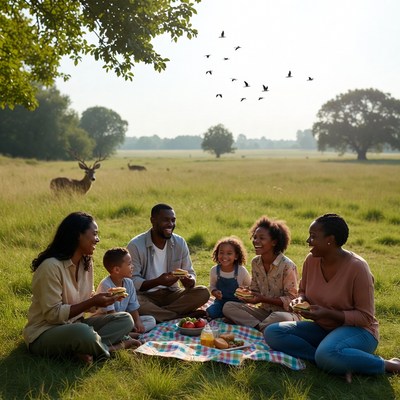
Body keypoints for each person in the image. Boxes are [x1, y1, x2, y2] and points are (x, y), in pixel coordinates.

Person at [264, 213, 400, 381]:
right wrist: (300, 300)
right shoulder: (311, 260)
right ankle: (334, 360)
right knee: (273, 332)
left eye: (313, 237)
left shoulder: (358, 268)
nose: (308, 241)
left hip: (360, 332)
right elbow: (303, 291)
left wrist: (327, 313)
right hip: (324, 329)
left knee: (327, 353)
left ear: (330, 240)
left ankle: (388, 365)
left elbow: (365, 318)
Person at [23, 212, 137, 364]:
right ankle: (114, 347)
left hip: (75, 325)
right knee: (83, 333)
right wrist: (91, 302)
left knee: (125, 319)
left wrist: (102, 300)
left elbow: (85, 300)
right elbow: (53, 315)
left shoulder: (86, 264)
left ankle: (83, 350)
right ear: (78, 235)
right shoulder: (50, 267)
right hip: (45, 332)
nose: (98, 239)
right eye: (94, 234)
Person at [127, 203, 210, 322]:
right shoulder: (135, 245)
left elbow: (190, 272)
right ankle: (178, 316)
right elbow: (133, 280)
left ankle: (160, 314)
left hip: (172, 294)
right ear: (153, 220)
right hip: (145, 296)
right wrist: (157, 282)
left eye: (173, 220)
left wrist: (190, 281)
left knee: (203, 292)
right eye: (165, 220)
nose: (170, 224)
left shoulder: (179, 242)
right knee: (133, 301)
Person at [223, 216, 300, 331]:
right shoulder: (256, 262)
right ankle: (261, 327)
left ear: (274, 242)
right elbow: (255, 291)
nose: (256, 241)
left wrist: (263, 299)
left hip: (286, 315)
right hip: (264, 313)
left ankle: (255, 326)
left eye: (261, 238)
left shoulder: (287, 266)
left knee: (278, 317)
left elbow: (292, 300)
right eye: (255, 237)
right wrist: (246, 294)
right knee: (228, 306)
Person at [94, 247, 156, 337]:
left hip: (123, 320)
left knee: (151, 320)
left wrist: (138, 322)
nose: (132, 266)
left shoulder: (129, 283)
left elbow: (133, 307)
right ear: (116, 270)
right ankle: (127, 334)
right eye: (129, 264)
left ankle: (128, 333)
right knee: (123, 322)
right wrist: (126, 323)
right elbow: (111, 314)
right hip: (107, 321)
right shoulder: (106, 285)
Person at [206, 236, 251, 319]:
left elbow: (250, 287)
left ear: (236, 256)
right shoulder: (215, 270)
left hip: (237, 304)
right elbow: (212, 286)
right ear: (217, 254)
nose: (224, 256)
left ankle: (229, 316)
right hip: (220, 302)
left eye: (229, 253)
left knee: (239, 313)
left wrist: (244, 290)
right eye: (221, 252)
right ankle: (227, 316)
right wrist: (214, 292)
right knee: (211, 312)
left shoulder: (241, 271)